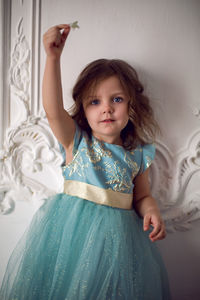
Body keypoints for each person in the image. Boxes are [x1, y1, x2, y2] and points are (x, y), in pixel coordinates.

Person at [0, 24, 171, 299]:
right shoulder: (77, 142)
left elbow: (142, 197)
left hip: (121, 247)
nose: (106, 107)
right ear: (83, 108)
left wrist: (152, 210)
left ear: (131, 105)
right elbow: (53, 108)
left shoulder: (138, 154)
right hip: (73, 240)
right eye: (94, 101)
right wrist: (53, 58)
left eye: (116, 99)